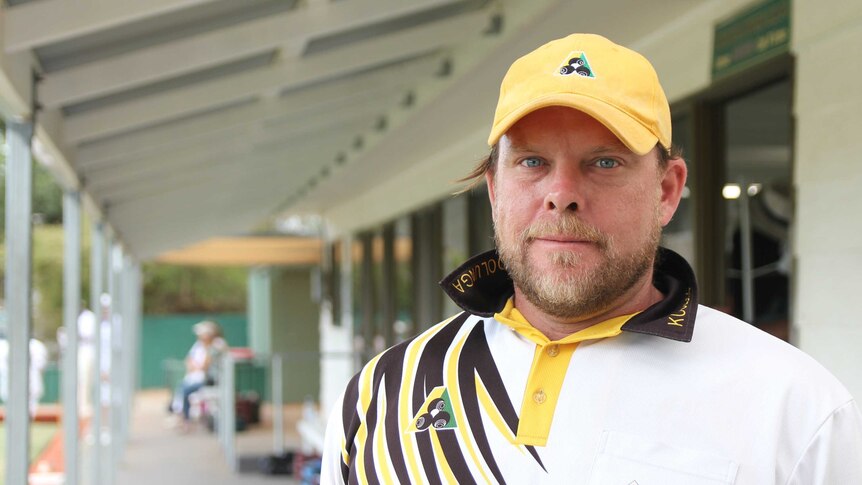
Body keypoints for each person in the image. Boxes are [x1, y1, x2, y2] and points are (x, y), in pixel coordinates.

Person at [321, 34, 862, 483]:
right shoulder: (385, 390)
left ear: (668, 191)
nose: (561, 193)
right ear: (494, 189)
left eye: (604, 162)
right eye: (532, 161)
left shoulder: (795, 405)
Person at [171, 320, 226, 430]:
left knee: (186, 391)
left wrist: (206, 347)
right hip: (197, 378)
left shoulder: (217, 344)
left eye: (203, 334)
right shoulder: (198, 345)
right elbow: (189, 361)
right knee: (182, 387)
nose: (200, 336)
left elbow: (206, 365)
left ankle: (186, 419)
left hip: (211, 380)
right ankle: (182, 417)